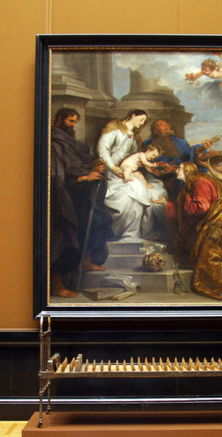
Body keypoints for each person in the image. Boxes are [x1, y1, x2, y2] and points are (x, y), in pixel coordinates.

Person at [153, 161, 222, 302]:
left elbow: (201, 207)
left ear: (188, 170)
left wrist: (187, 198)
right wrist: (167, 204)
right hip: (215, 222)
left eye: (180, 168)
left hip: (221, 222)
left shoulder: (200, 183)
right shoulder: (189, 186)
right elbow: (184, 212)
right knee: (210, 258)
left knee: (209, 259)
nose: (176, 170)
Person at [50, 107, 114, 297]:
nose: (73, 125)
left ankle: (86, 260)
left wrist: (94, 167)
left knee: (99, 220)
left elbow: (78, 166)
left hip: (78, 195)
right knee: (64, 240)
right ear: (59, 119)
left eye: (75, 122)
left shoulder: (74, 144)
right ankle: (56, 283)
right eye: (70, 121)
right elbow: (56, 176)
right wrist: (85, 177)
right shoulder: (54, 144)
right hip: (62, 200)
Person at [97, 110, 169, 242]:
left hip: (127, 171)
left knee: (156, 190)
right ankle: (129, 234)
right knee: (132, 191)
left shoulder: (135, 137)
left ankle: (144, 231)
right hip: (112, 173)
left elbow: (136, 160)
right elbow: (103, 150)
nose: (142, 123)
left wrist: (153, 170)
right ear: (133, 115)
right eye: (141, 119)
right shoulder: (114, 129)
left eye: (144, 121)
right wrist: (113, 167)